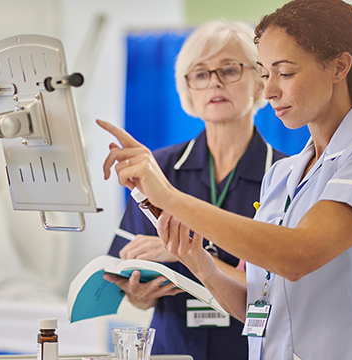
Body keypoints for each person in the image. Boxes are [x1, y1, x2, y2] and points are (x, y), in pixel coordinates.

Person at [98, 0, 352, 359]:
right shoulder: (282, 175)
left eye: (284, 73)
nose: (269, 91)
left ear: (339, 66)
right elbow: (256, 307)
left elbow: (299, 254)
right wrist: (196, 260)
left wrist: (170, 197)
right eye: (265, 74)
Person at [103, 20, 286, 360]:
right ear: (188, 89)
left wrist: (182, 251)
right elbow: (126, 272)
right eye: (200, 74)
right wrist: (138, 294)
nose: (214, 82)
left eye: (229, 70)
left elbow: (278, 292)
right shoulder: (157, 170)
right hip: (173, 351)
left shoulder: (285, 175)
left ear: (261, 80)